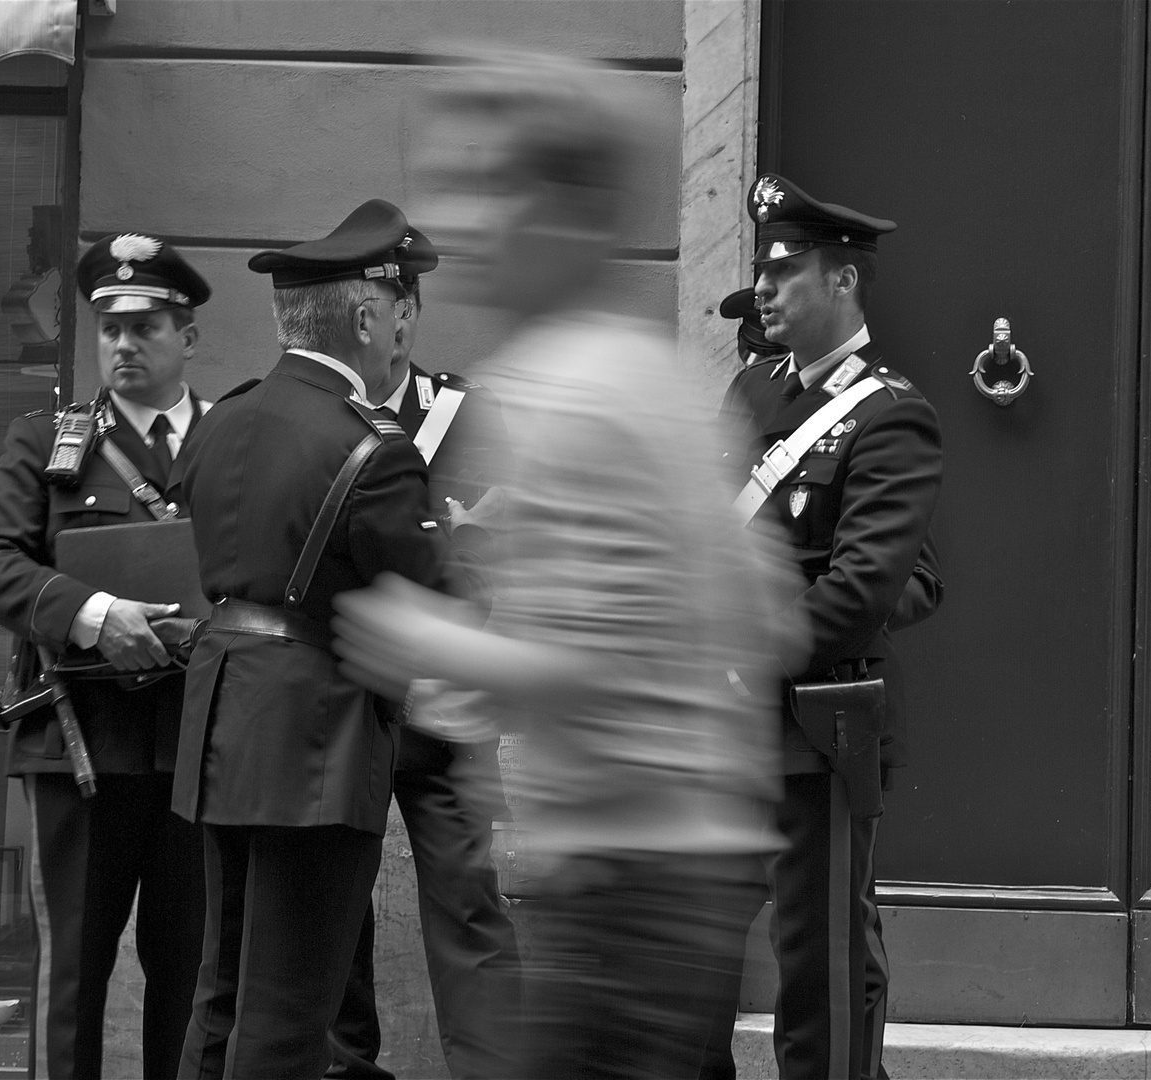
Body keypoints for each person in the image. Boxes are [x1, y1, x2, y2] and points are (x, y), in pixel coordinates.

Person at [330, 54, 802, 1080]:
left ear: (573, 211)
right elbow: (763, 614)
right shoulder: (628, 371)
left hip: (633, 887)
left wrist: (430, 642)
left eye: (493, 185)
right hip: (658, 869)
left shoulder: (573, 391)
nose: (461, 216)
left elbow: (618, 666)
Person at [170, 198, 451, 1080]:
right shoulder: (377, 447)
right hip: (317, 737)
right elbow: (419, 607)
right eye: (397, 308)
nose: (401, 327)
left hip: (222, 717)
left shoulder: (223, 418)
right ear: (366, 315)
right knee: (290, 1013)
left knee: (221, 992)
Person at [0, 234, 212, 1080]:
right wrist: (95, 615)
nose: (124, 345)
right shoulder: (45, 442)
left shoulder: (234, 442)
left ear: (188, 335)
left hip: (200, 751)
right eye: (110, 329)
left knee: (194, 977)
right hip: (82, 749)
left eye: (145, 327)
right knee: (71, 976)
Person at [721, 173, 944, 1080]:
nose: (764, 290)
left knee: (817, 958)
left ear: (843, 282)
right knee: (696, 939)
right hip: (718, 719)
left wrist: (744, 655)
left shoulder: (891, 416)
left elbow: (862, 586)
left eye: (786, 272)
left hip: (813, 722)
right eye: (762, 273)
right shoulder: (751, 393)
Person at [327, 264, 523, 1080]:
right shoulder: (320, 412)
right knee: (337, 911)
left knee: (469, 910)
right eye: (355, 310)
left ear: (405, 315)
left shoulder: (463, 416)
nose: (370, 325)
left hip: (444, 703)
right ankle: (347, 1069)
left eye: (379, 310)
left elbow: (498, 551)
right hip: (344, 697)